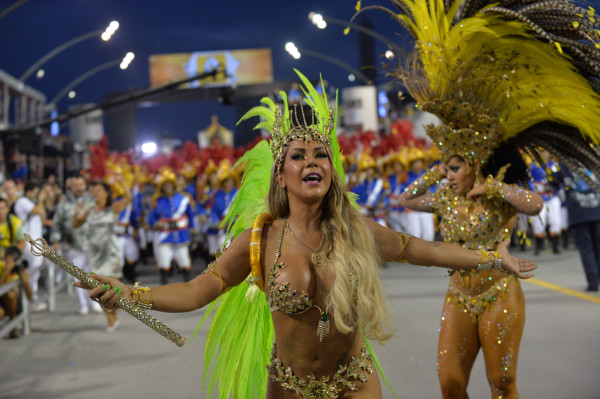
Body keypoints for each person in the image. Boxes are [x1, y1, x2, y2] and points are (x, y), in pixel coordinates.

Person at [76, 74, 536, 399]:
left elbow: (423, 249)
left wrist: (492, 259)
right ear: (281, 175)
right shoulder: (261, 239)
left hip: (354, 383)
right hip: (289, 388)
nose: (312, 161)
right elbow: (197, 290)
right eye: (298, 155)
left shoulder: (356, 230)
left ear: (332, 172)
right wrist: (129, 293)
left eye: (321, 154)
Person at [354, 0, 600, 397]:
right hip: (458, 296)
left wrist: (495, 188)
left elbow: (534, 205)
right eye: (445, 169)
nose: (448, 175)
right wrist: (437, 171)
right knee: (450, 384)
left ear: (474, 164)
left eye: (454, 168)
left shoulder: (498, 193)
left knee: (502, 384)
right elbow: (406, 200)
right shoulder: (446, 199)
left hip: (499, 292)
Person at [73, 180, 129, 332]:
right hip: (95, 254)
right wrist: (77, 211)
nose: (95, 193)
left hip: (110, 253)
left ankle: (114, 313)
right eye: (93, 190)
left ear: (106, 192)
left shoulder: (113, 208)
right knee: (101, 289)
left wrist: (121, 180)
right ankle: (110, 318)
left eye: (98, 190)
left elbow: (128, 198)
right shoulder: (89, 210)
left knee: (115, 288)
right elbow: (76, 224)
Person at [148, 168, 195, 284]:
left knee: (184, 259)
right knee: (164, 259)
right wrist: (155, 223)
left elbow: (190, 214)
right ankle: (164, 283)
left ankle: (187, 283)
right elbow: (151, 217)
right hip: (165, 235)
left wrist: (192, 228)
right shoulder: (157, 200)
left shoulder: (183, 198)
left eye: (169, 185)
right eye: (165, 185)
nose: (167, 187)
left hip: (181, 234)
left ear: (173, 185)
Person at [560, 166, 600, 291]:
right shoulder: (590, 159)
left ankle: (593, 282)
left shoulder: (563, 165)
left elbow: (551, 182)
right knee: (598, 248)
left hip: (579, 215)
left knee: (586, 250)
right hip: (597, 212)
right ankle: (595, 279)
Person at [13, 181, 47, 312]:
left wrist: (40, 202)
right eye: (35, 191)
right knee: (31, 272)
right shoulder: (22, 201)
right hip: (28, 242)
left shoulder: (33, 202)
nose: (37, 194)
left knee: (35, 271)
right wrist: (41, 200)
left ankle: (32, 298)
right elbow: (37, 211)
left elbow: (43, 217)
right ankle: (30, 300)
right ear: (29, 191)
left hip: (36, 242)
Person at [0, 246, 32, 338]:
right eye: (10, 260)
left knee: (11, 294)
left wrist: (25, 282)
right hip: (2, 301)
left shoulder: (20, 270)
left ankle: (13, 326)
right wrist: (7, 272)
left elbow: (29, 297)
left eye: (14, 260)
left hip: (16, 304)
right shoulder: (1, 267)